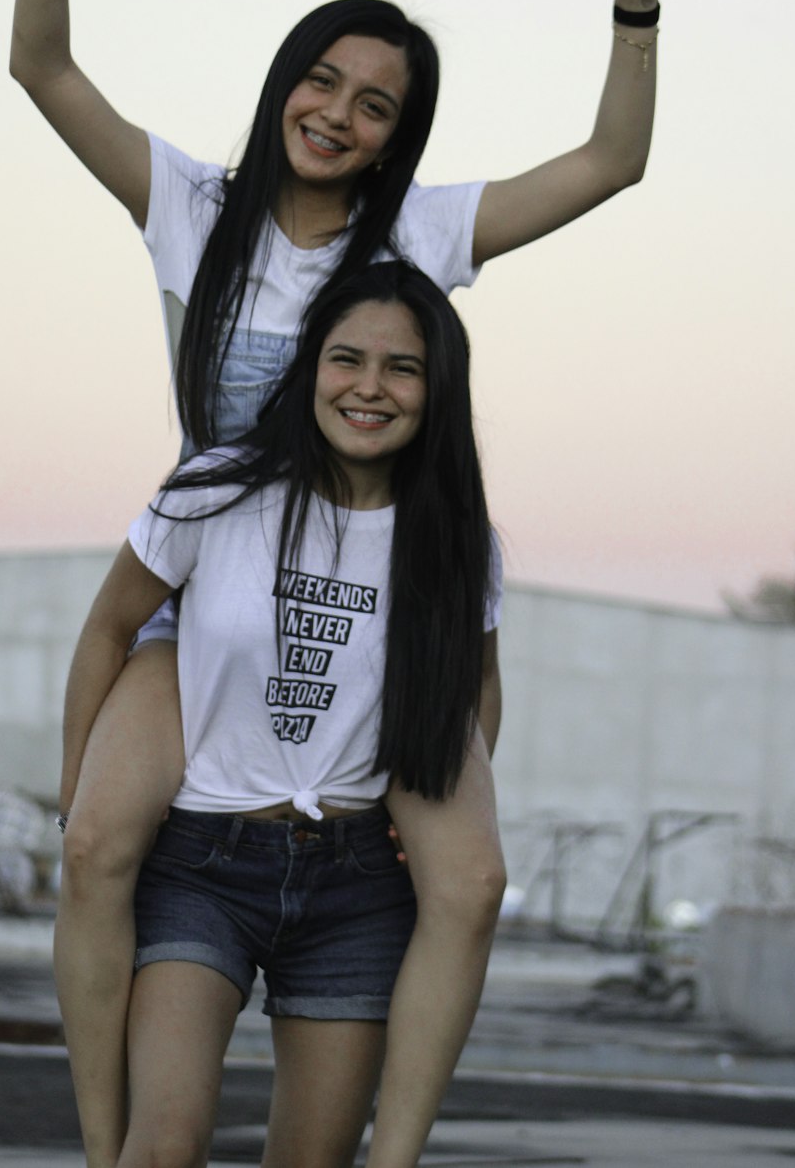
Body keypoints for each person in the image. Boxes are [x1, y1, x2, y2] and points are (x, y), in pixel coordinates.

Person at [9, 0, 700, 1167]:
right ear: (285, 85)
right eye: (321, 79)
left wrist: (632, 8)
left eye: (374, 101)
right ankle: (105, 1144)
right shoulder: (193, 204)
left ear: (398, 136)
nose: (337, 109)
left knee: (468, 875)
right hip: (216, 591)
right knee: (92, 846)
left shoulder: (414, 244)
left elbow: (608, 165)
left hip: (372, 612)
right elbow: (42, 65)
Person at [77, 261, 502, 1168]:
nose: (369, 387)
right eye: (347, 358)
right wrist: (76, 782)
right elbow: (110, 627)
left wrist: (432, 822)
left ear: (438, 389)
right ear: (311, 364)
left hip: (355, 887)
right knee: (162, 1147)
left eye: (403, 368)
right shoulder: (215, 490)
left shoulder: (456, 533)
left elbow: (476, 683)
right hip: (204, 861)